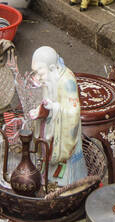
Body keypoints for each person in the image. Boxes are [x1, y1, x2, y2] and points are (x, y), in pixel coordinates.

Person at [25, 47, 85, 186]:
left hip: (62, 132)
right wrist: (39, 110)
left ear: (52, 67)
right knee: (44, 148)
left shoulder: (66, 81)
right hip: (49, 124)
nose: (38, 77)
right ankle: (45, 174)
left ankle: (62, 184)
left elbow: (73, 112)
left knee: (62, 168)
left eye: (40, 72)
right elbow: (45, 99)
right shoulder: (49, 77)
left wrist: (55, 108)